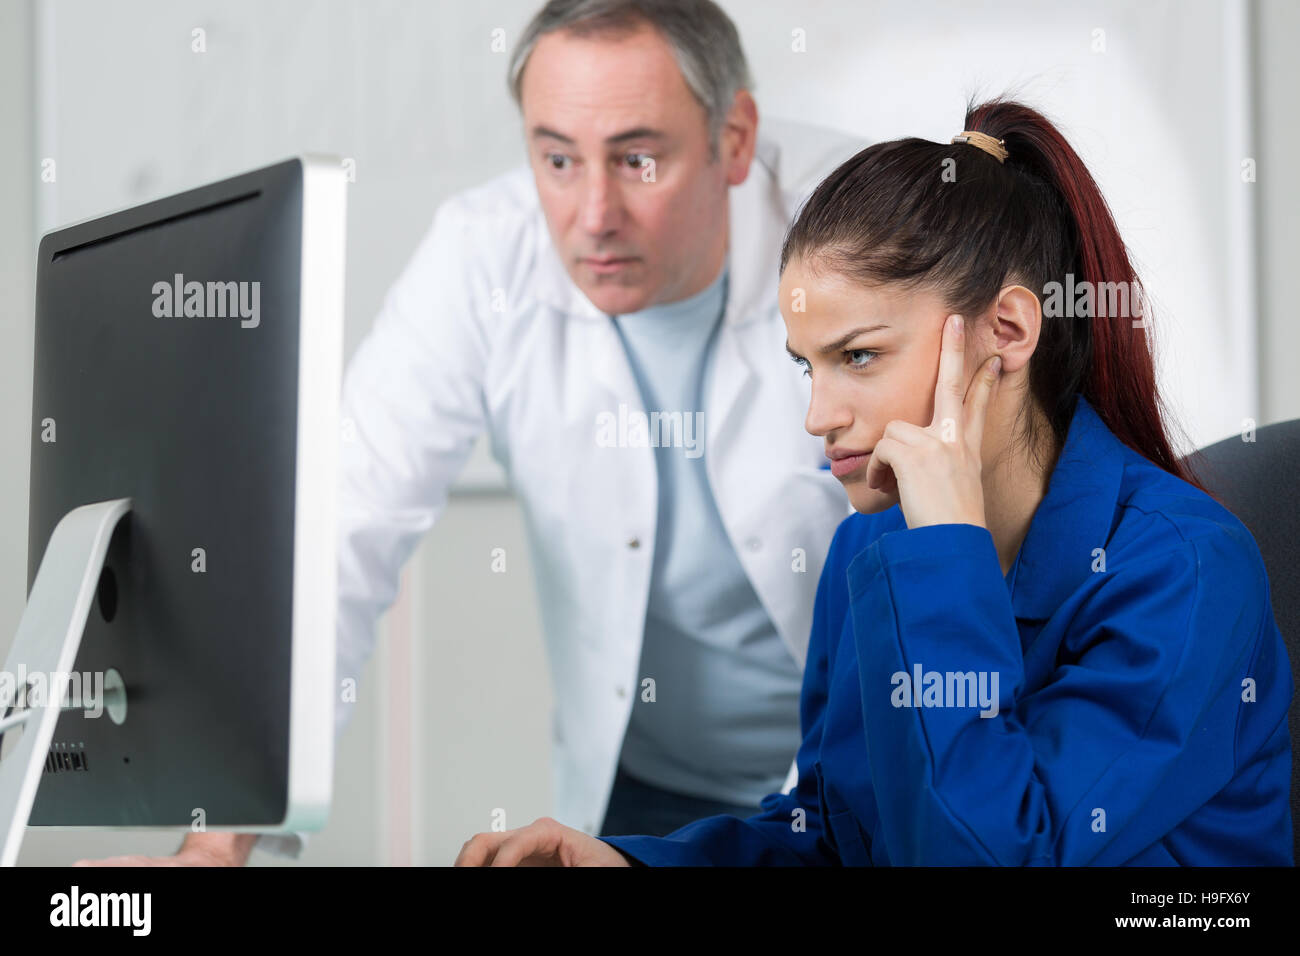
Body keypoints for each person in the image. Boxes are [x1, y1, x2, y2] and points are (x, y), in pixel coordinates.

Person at [74, 0, 860, 866]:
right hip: (644, 788)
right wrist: (216, 843)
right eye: (557, 158)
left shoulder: (859, 231)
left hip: (850, 773)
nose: (592, 213)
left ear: (734, 137)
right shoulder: (484, 253)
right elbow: (339, 534)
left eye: (639, 159)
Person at [453, 98, 1295, 866]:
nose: (818, 415)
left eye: (859, 356)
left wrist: (948, 558)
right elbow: (832, 834)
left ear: (1006, 330)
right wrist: (633, 864)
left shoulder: (1183, 571)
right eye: (805, 367)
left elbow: (993, 857)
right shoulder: (872, 541)